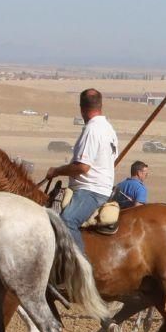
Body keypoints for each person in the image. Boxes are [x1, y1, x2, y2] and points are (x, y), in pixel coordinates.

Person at [46, 89, 117, 252]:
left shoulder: (92, 130)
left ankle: (81, 270)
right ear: (100, 105)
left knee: (66, 221)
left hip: (91, 191)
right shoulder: (108, 128)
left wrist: (56, 171)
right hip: (99, 187)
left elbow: (82, 167)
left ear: (81, 108)